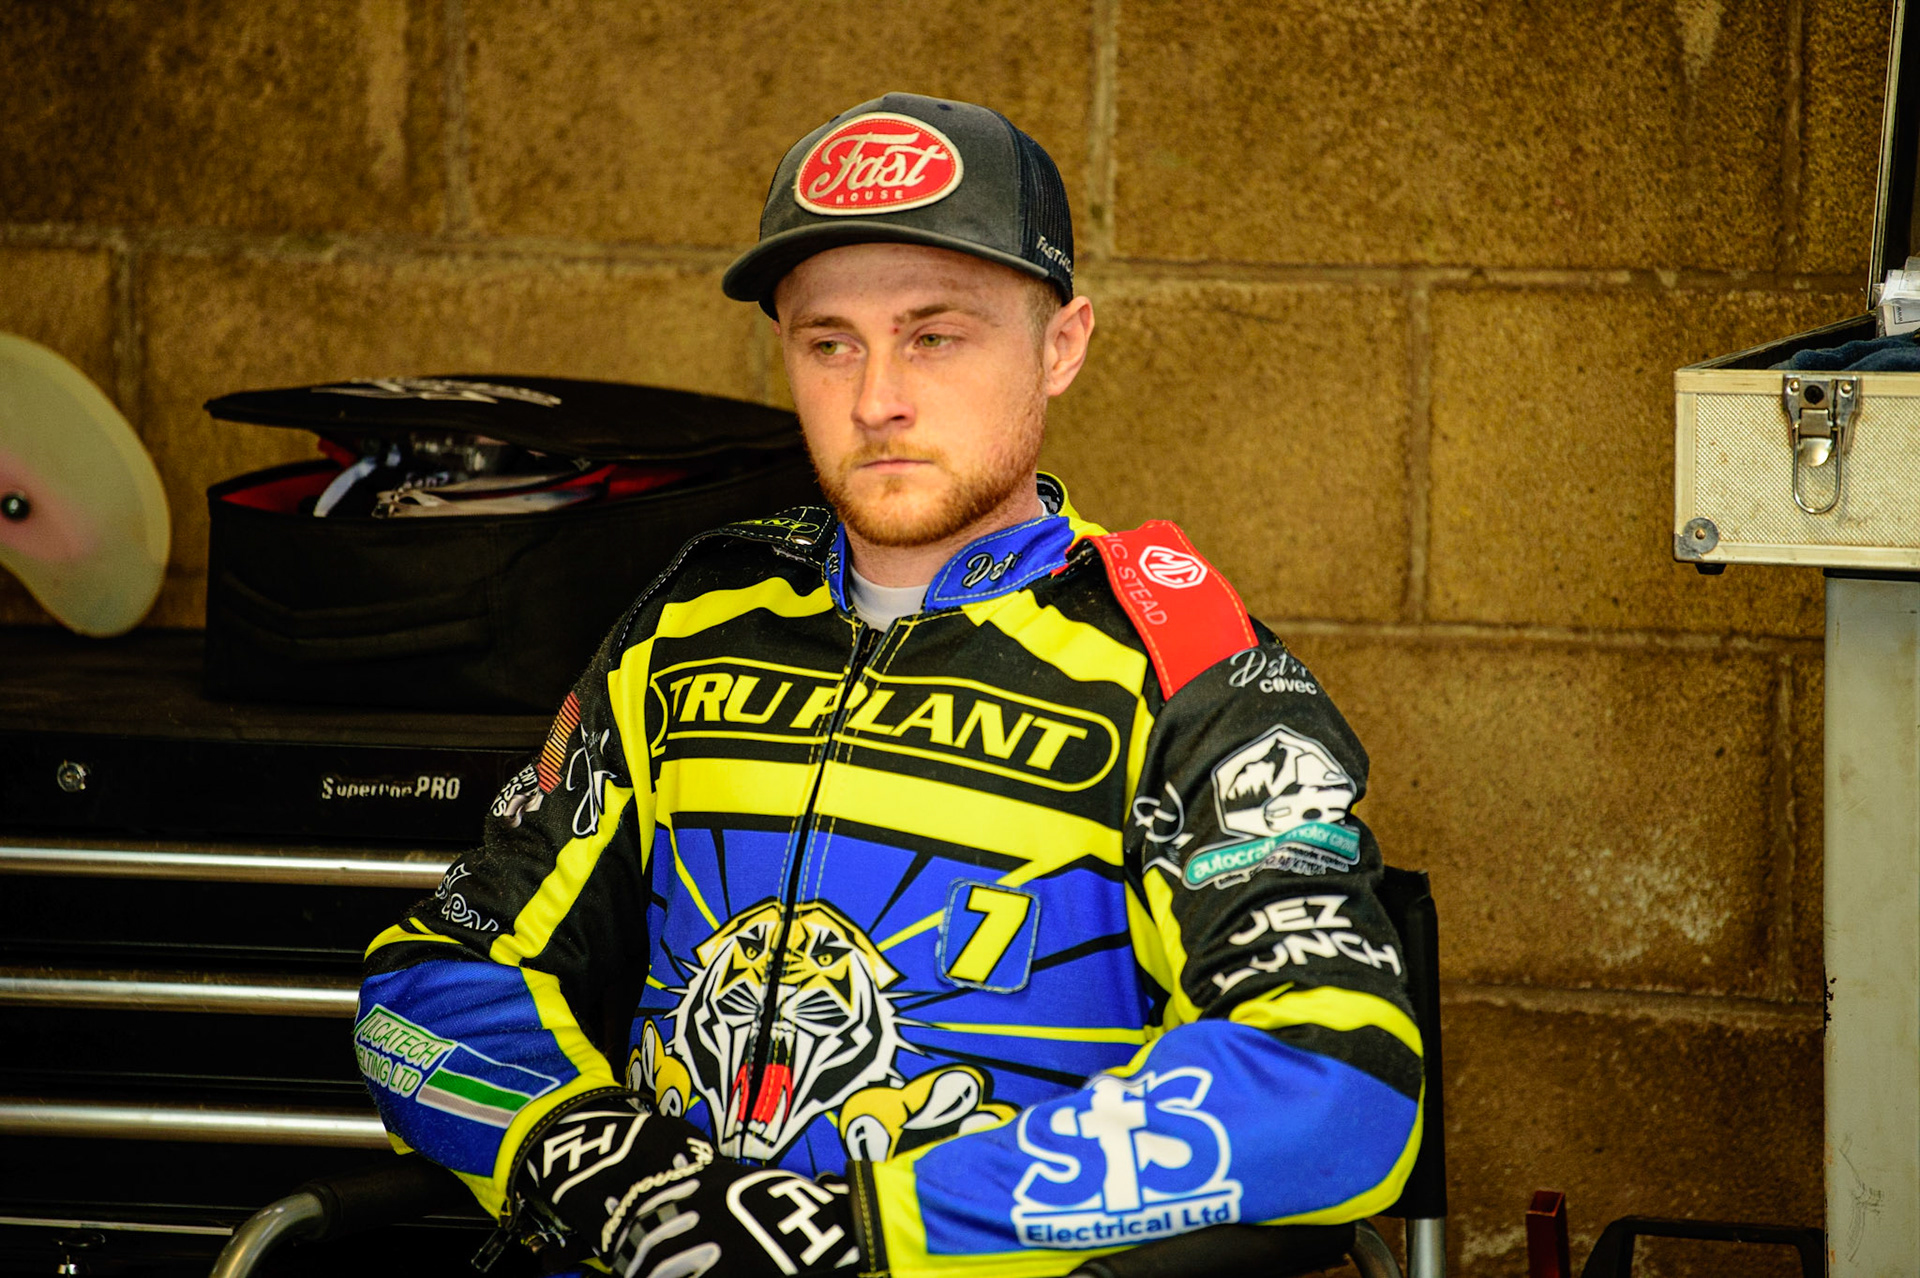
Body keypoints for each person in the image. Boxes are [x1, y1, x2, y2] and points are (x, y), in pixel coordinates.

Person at [356, 92, 1421, 1278]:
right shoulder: (691, 626)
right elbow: (425, 990)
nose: (876, 400)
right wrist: (597, 1163)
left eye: (936, 335)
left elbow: (1335, 1086)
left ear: (1061, 345)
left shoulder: (1184, 669)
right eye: (829, 343)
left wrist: (866, 1227)